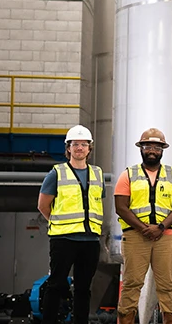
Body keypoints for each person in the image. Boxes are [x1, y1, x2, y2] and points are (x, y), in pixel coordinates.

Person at [115, 128, 172, 324]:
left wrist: (160, 227)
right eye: (148, 146)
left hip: (166, 237)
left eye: (157, 146)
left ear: (163, 149)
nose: (152, 150)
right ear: (141, 148)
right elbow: (121, 207)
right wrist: (143, 228)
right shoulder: (128, 175)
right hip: (136, 237)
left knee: (167, 286)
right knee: (131, 284)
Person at [36, 125, 104, 324]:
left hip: (90, 239)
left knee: (84, 288)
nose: (80, 148)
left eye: (84, 144)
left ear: (89, 149)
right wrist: (59, 224)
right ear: (68, 148)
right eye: (75, 144)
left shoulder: (97, 174)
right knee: (56, 285)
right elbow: (43, 205)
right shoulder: (57, 173)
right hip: (64, 239)